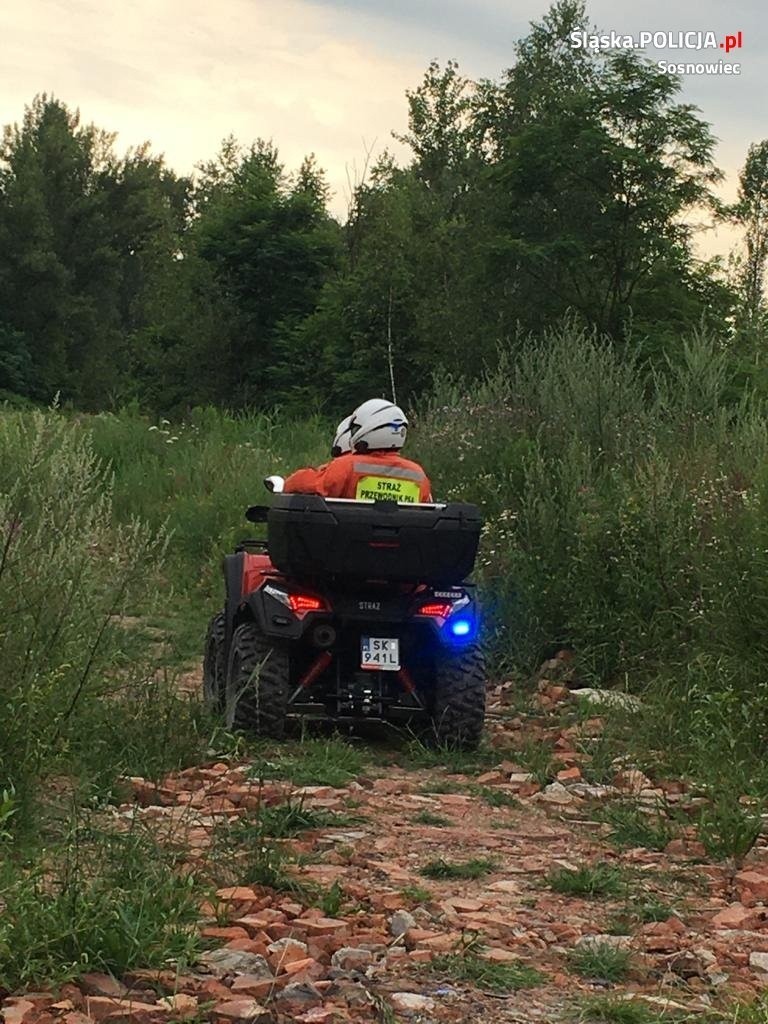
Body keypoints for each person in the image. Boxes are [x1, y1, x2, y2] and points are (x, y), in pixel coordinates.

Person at [283, 398, 432, 502]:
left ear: (369, 428)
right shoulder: (417, 474)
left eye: (355, 428)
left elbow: (307, 485)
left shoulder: (347, 466)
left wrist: (288, 482)